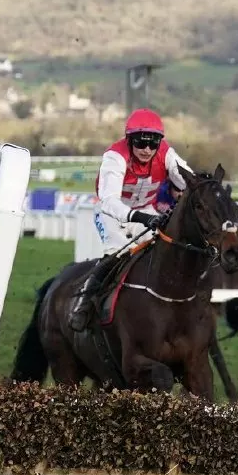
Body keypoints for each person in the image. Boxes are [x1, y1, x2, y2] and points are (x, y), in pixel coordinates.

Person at [69, 108, 194, 332]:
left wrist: (201, 187)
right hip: (111, 213)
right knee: (117, 254)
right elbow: (108, 200)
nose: (147, 150)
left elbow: (187, 178)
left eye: (153, 144)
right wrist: (140, 217)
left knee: (168, 248)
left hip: (145, 209)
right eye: (140, 143)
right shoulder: (115, 156)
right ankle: (84, 304)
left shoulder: (165, 153)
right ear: (129, 140)